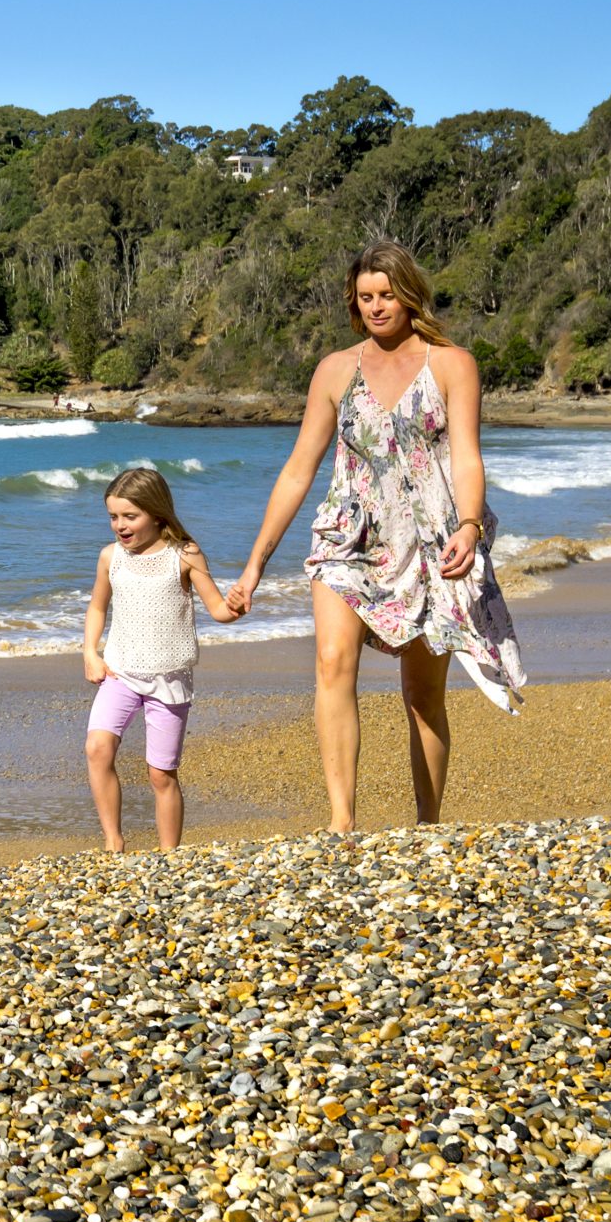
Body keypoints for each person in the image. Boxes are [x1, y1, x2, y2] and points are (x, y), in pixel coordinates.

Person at [224, 241, 525, 831]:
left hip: (430, 543)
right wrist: (256, 564)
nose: (377, 307)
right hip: (349, 538)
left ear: (410, 295)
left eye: (387, 295)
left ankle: (427, 822)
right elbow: (298, 469)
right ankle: (342, 821)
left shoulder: (452, 364)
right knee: (332, 661)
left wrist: (468, 525)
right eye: (365, 297)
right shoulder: (336, 370)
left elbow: (467, 456)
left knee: (422, 693)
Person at [82, 466, 242, 851]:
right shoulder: (110, 557)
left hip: (168, 680)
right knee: (97, 749)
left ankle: (169, 855)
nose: (120, 525)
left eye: (129, 516)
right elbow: (97, 607)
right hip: (120, 672)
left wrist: (236, 606)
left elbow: (218, 609)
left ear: (156, 514)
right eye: (113, 516)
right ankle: (113, 842)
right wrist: (90, 651)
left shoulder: (184, 555)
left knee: (161, 774)